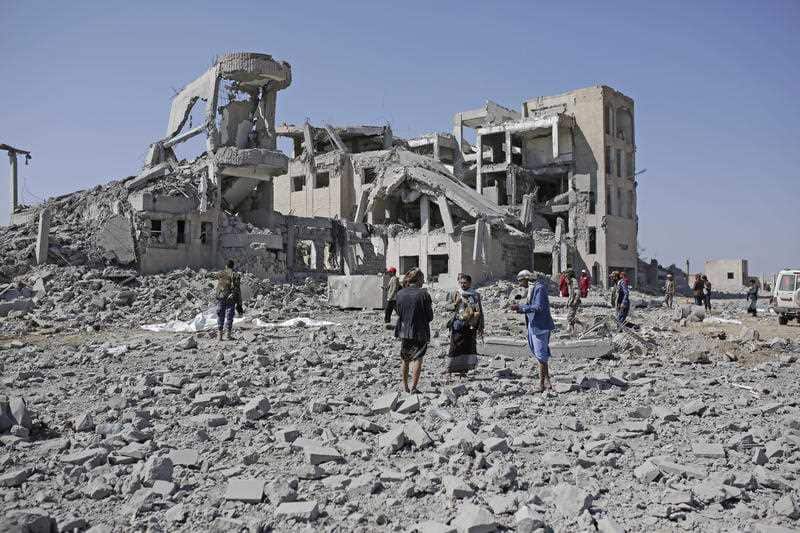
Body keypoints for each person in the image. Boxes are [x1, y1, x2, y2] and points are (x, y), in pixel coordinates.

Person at [511, 270, 556, 393]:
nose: (520, 284)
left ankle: (541, 384)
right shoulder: (531, 290)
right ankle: (547, 382)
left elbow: (538, 307)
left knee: (541, 355)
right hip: (533, 324)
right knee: (540, 355)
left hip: (540, 325)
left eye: (521, 281)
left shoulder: (539, 288)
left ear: (526, 279)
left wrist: (521, 308)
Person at [394, 268, 434, 393]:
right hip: (420, 331)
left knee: (405, 358)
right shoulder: (424, 294)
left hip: (405, 331)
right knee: (418, 358)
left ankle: (405, 386)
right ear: (418, 279)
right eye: (422, 279)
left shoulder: (400, 293)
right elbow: (430, 316)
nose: (423, 281)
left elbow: (399, 312)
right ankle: (414, 387)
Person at [446, 273, 484, 375]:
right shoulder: (455, 293)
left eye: (465, 283)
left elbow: (480, 311)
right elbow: (447, 307)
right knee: (455, 346)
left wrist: (481, 326)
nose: (463, 285)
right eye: (461, 283)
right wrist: (455, 304)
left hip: (471, 325)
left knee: (469, 347)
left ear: (470, 283)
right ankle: (452, 368)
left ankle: (466, 369)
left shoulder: (475, 295)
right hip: (457, 324)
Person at [215, 259, 242, 341]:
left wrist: (205, 274)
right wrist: (239, 304)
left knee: (221, 314)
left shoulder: (221, 273)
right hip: (231, 298)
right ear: (233, 266)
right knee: (229, 316)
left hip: (221, 297)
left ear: (226, 266)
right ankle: (228, 335)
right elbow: (237, 289)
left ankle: (219, 336)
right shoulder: (236, 275)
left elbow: (212, 275)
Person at [566, 269, 582, 335]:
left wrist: (575, 300)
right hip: (571, 301)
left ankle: (583, 324)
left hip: (574, 302)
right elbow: (570, 294)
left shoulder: (574, 281)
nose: (566, 275)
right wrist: (568, 302)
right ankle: (572, 331)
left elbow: (577, 292)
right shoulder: (569, 281)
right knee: (571, 317)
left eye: (567, 273)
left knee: (570, 317)